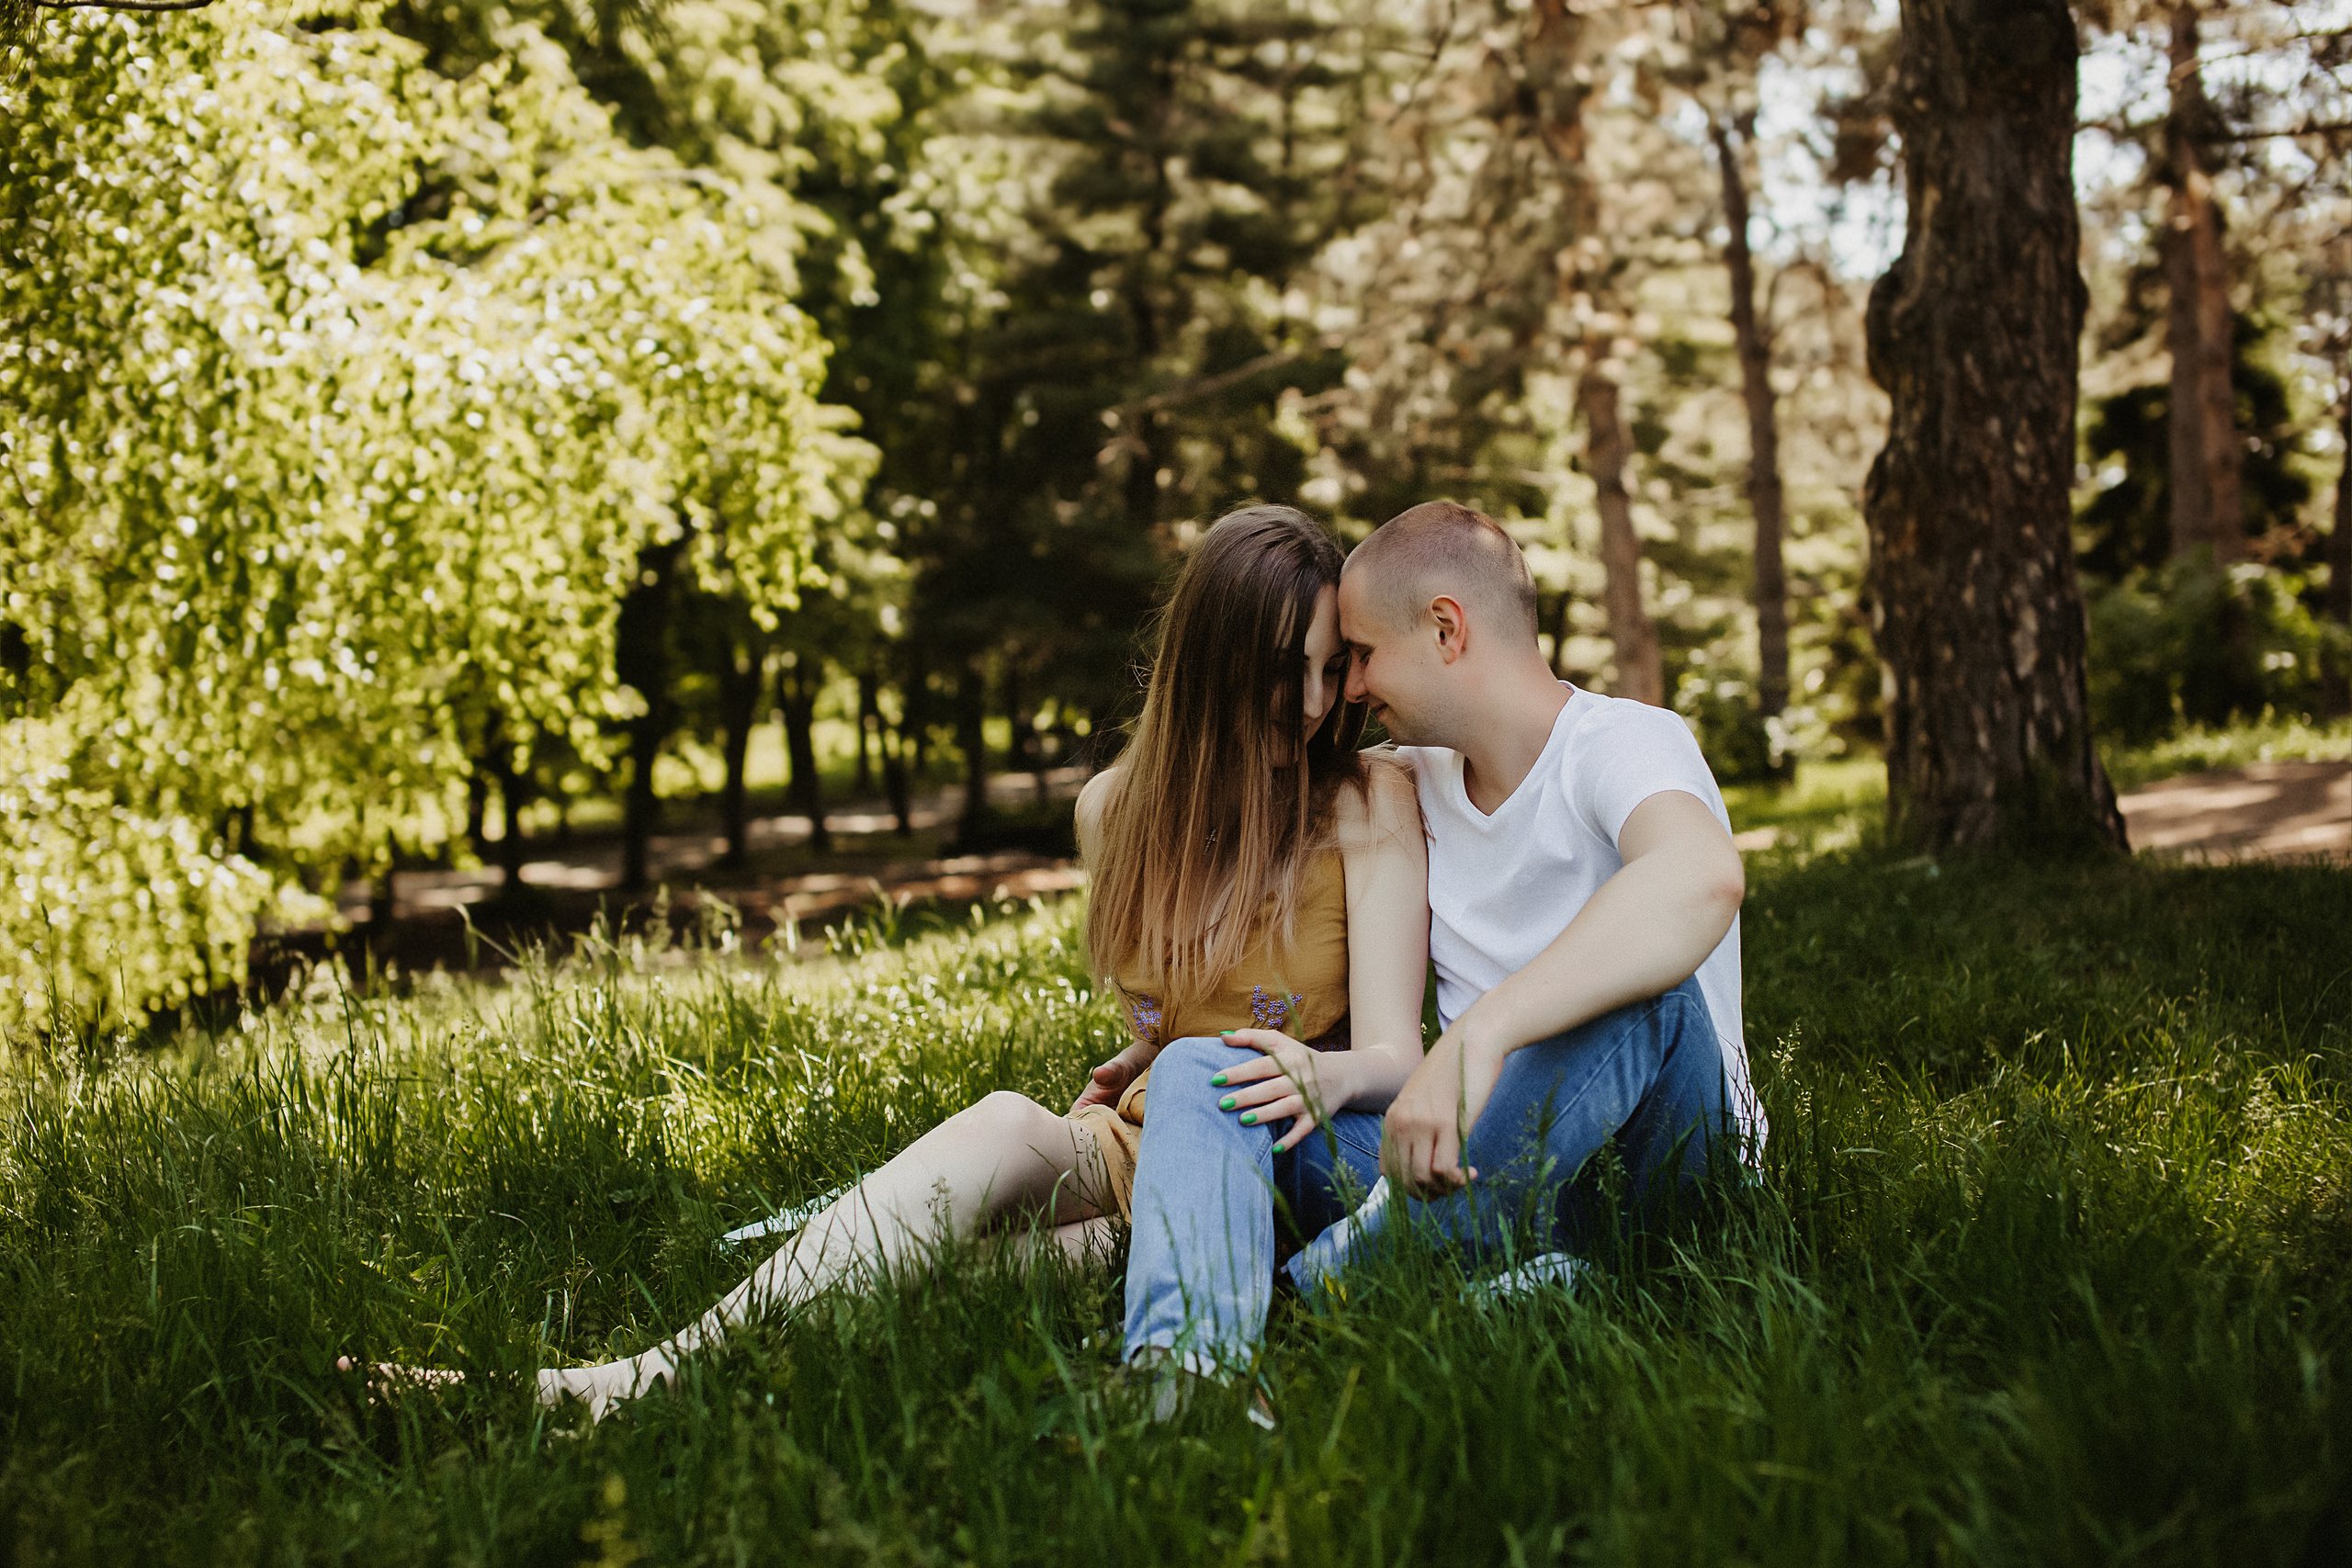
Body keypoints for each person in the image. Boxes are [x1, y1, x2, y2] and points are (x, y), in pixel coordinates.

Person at [368, 504, 1431, 1419]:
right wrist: (1137, 1057)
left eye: (1329, 669)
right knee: (996, 1132)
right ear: (1205, 675)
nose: (1308, 705)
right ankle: (631, 1381)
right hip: (1138, 1137)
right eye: (1278, 674)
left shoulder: (1366, 804)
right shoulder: (1115, 811)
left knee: (949, 1276)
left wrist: (1297, 1065)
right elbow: (1178, 1003)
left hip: (1270, 1157)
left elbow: (1392, 1052)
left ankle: (639, 1388)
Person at [1125, 500, 1760, 1372]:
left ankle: (1330, 1291)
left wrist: (1478, 1037)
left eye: (1362, 657)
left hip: (1652, 1166)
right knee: (1207, 1069)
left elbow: (1702, 876)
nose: (1346, 690)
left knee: (1655, 992)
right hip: (1464, 1174)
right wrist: (1159, 1037)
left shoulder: (1622, 743)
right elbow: (1231, 780)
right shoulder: (1410, 783)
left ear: (1446, 629)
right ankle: (1185, 1366)